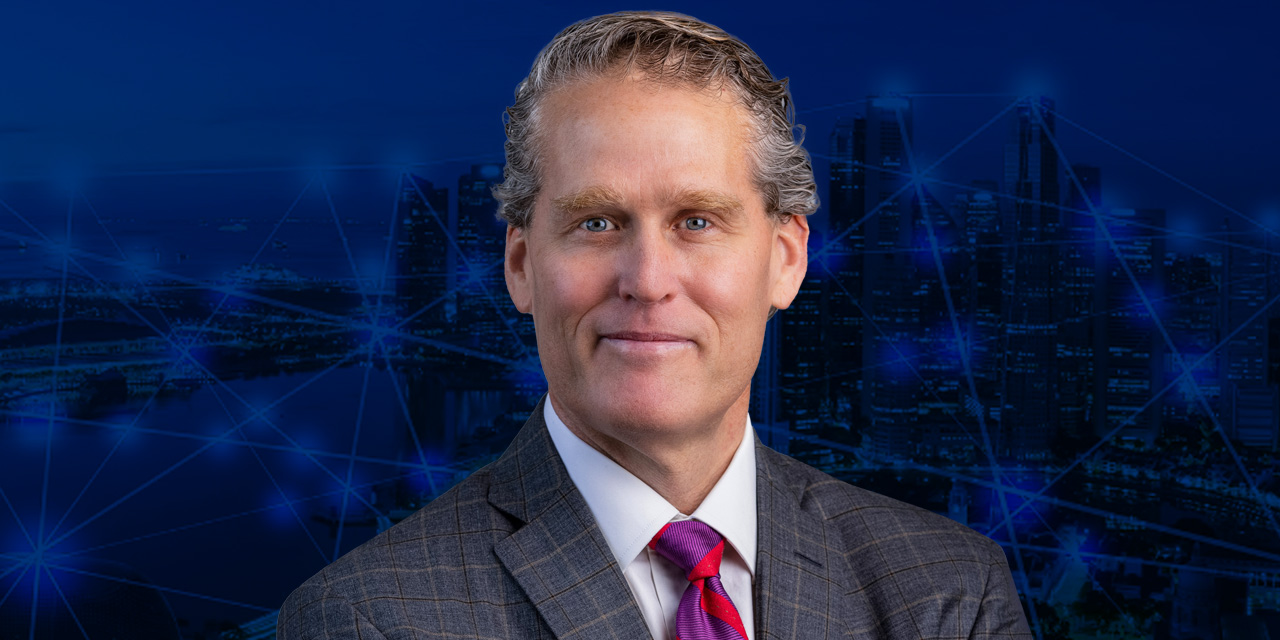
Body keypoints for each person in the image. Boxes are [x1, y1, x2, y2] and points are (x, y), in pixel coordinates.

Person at [278, 11, 1033, 640]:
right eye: (597, 222)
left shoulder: (948, 594)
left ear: (785, 260)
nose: (646, 280)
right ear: (518, 265)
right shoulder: (366, 620)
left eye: (697, 220)